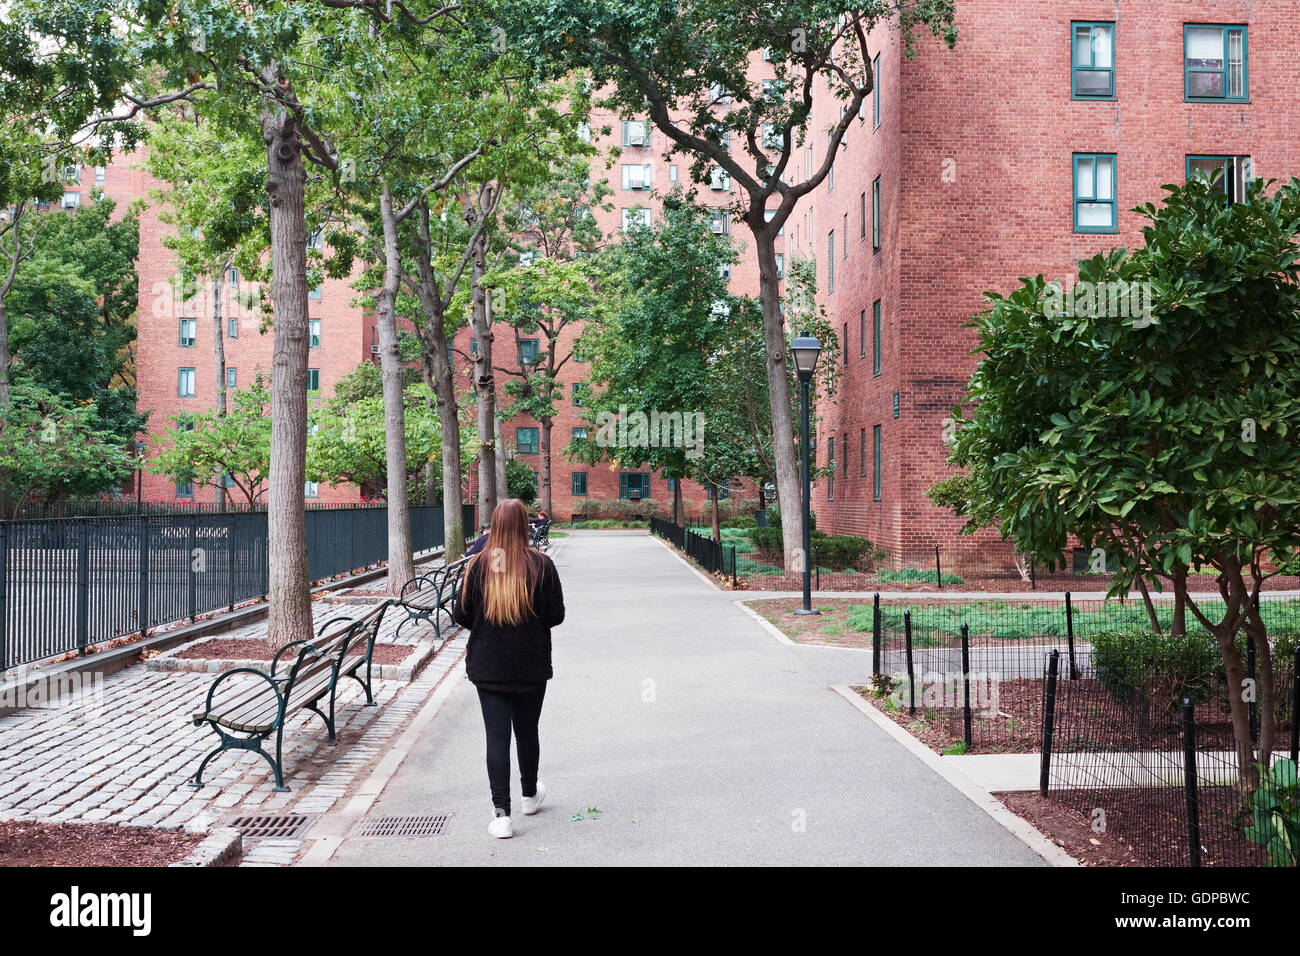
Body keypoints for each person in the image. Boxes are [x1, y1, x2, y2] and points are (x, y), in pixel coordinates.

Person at [452, 498, 565, 838]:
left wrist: (490, 624)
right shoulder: (541, 564)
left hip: (488, 665)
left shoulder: (479, 565)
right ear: (524, 525)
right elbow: (555, 615)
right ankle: (529, 795)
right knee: (527, 732)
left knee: (497, 739)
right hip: (530, 665)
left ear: (494, 525)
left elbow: (461, 615)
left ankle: (501, 815)